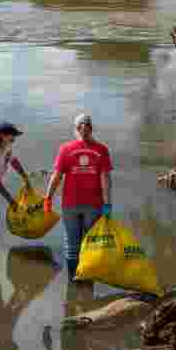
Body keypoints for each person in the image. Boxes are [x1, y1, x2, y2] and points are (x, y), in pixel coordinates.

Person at [43, 113, 112, 282]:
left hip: (70, 205)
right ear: (91, 128)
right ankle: (87, 279)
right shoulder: (102, 150)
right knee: (89, 244)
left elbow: (56, 177)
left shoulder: (66, 149)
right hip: (93, 205)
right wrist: (108, 204)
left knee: (71, 245)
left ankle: (73, 282)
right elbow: (105, 180)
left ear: (76, 129)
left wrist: (48, 198)